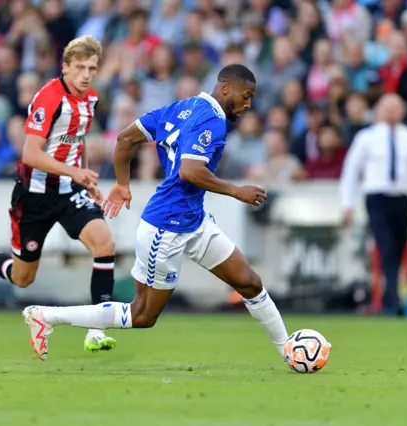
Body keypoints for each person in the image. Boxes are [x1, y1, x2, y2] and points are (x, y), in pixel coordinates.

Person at [22, 64, 290, 362]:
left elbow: (125, 139)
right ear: (226, 88)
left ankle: (288, 350)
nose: (248, 104)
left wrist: (123, 184)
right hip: (166, 227)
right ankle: (46, 316)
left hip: (194, 220)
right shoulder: (212, 120)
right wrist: (236, 191)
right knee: (142, 314)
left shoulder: (180, 107)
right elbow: (190, 172)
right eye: (246, 95)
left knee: (249, 282)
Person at [0, 36, 118, 353]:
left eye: (92, 68)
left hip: (68, 191)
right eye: (79, 67)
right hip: (34, 196)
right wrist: (75, 172)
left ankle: (97, 328)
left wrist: (86, 179)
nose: (86, 74)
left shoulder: (90, 99)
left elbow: (77, 142)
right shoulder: (49, 98)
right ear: (65, 67)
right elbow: (30, 154)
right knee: (24, 278)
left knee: (104, 242)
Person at [339, 93, 407, 316]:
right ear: (379, 110)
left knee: (399, 247)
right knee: (386, 244)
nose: (391, 112)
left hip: (401, 198)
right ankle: (392, 298)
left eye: (395, 107)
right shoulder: (366, 137)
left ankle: (392, 294)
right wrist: (347, 204)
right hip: (377, 198)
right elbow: (351, 171)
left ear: (402, 111)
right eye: (387, 107)